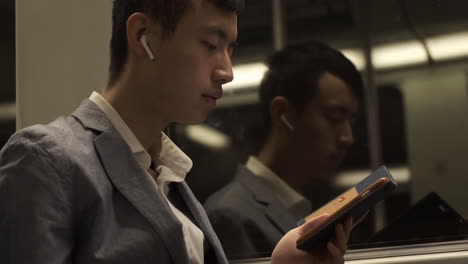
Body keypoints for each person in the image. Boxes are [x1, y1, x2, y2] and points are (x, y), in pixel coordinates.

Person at [0, 1, 357, 263]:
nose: (227, 71)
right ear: (144, 37)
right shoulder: (46, 158)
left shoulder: (172, 181)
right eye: (210, 45)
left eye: (230, 49)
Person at [204, 40, 364, 259]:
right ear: (283, 114)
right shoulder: (231, 215)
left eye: (351, 122)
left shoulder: (298, 205)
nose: (348, 138)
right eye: (334, 117)